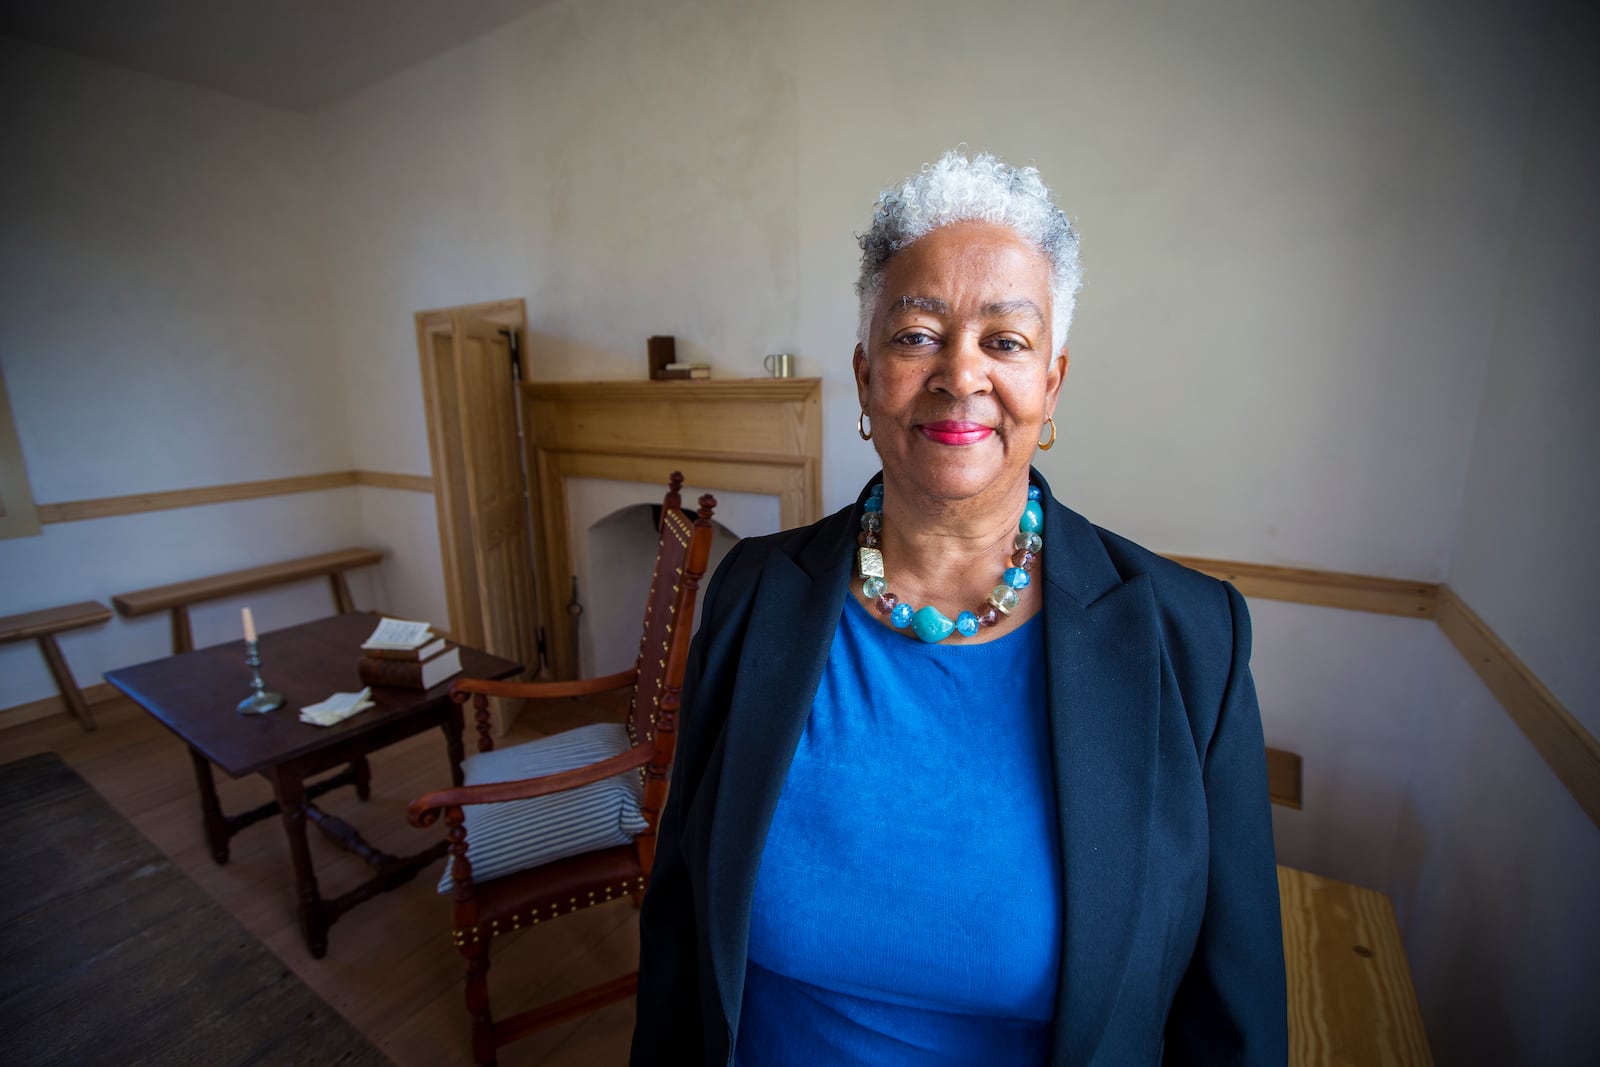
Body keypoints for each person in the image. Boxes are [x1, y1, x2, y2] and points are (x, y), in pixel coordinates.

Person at [631, 150, 1286, 1065]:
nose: (960, 373)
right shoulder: (749, 595)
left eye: (1005, 340)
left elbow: (1235, 1023)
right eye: (916, 335)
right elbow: (678, 925)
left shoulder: (1192, 642)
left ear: (1050, 385)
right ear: (866, 377)